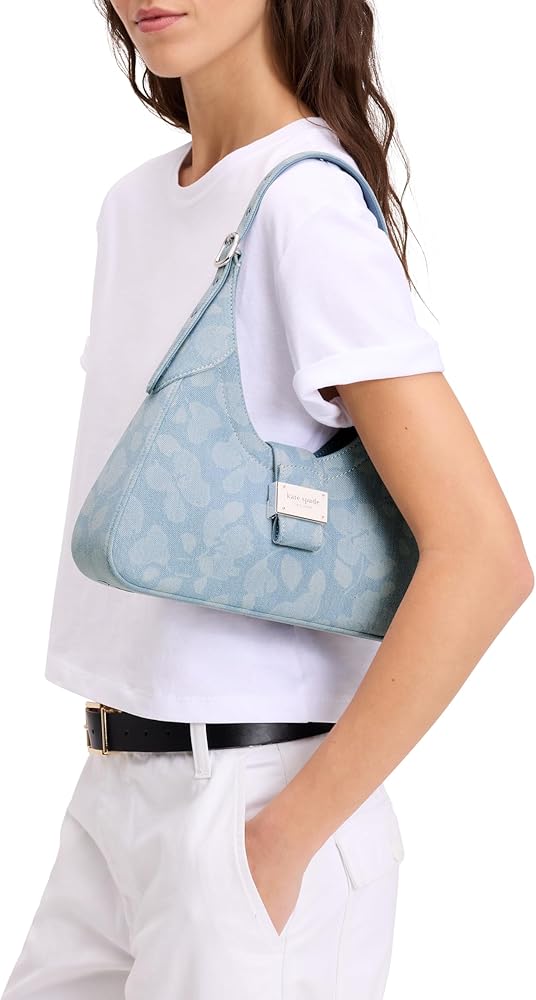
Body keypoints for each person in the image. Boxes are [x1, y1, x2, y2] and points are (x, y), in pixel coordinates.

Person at [2, 2, 533, 998]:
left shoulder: (304, 205)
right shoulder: (131, 206)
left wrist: (282, 839)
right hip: (111, 794)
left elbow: (481, 555)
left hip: (256, 799)